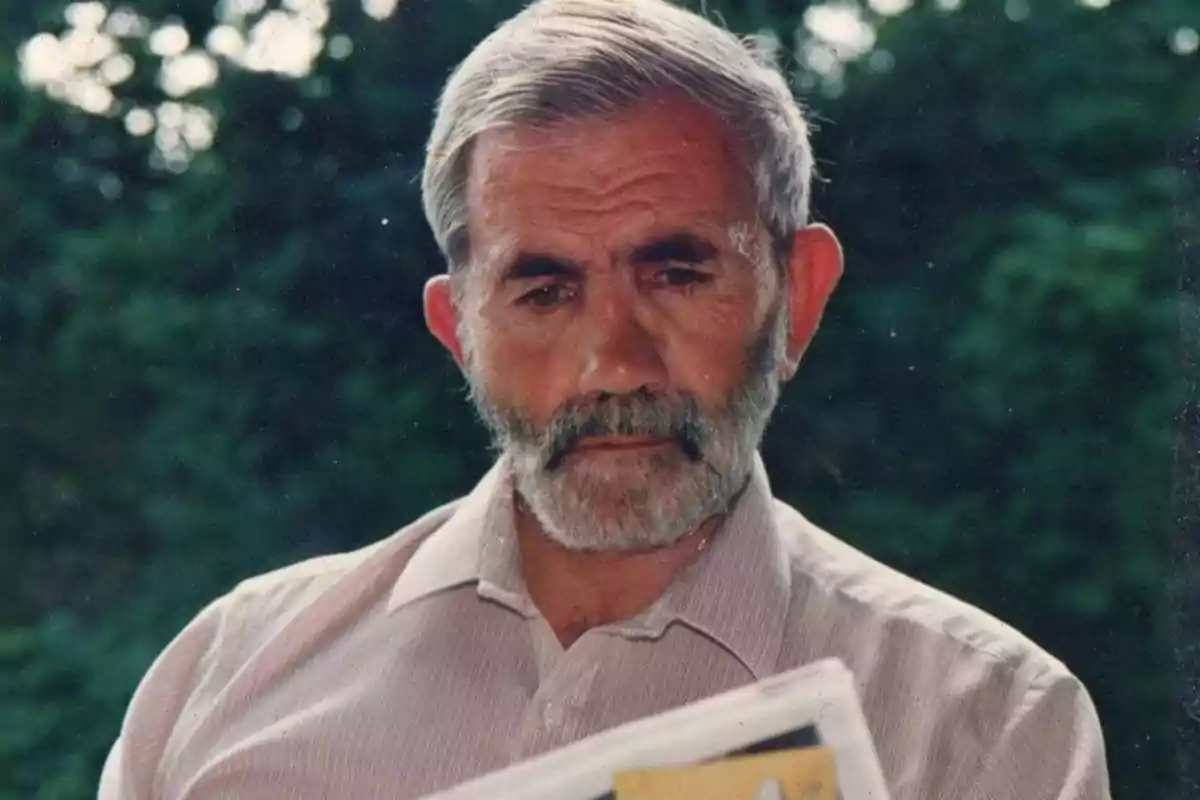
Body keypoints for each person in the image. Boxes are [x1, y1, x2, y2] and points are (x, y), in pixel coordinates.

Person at [98, 0, 1111, 797]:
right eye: (544, 290)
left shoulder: (985, 722)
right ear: (460, 331)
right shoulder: (225, 679)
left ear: (795, 297)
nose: (614, 361)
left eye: (676, 275)